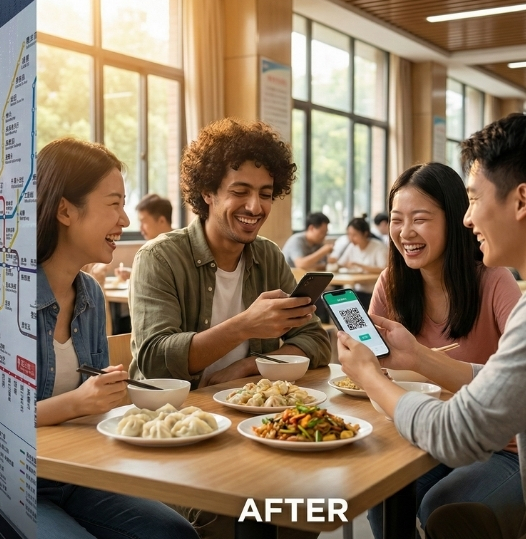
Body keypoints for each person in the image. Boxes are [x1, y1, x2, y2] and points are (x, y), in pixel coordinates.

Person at [337, 113, 526, 539]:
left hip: (495, 445)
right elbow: (501, 381)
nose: (468, 219)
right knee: (386, 498)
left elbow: (461, 429)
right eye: (395, 219)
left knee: (440, 506)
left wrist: (369, 374)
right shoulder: (394, 280)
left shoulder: (496, 283)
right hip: (431, 435)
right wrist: (415, 358)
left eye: (474, 200)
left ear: (519, 201)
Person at [35, 137, 198, 539]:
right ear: (65, 210)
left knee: (176, 533)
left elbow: (93, 398)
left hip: (81, 473)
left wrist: (108, 391)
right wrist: (78, 401)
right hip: (17, 479)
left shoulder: (89, 293)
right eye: (114, 204)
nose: (124, 220)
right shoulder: (4, 294)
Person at [131, 118, 330, 389]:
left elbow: (315, 340)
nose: (255, 207)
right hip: (175, 417)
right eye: (240, 192)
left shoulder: (268, 256)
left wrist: (251, 365)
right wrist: (245, 325)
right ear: (207, 193)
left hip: (250, 410)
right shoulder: (160, 257)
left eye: (265, 194)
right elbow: (155, 360)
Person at [329, 216, 387, 309]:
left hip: (374, 293)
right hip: (357, 290)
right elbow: (341, 263)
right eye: (349, 235)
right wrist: (333, 261)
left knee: (345, 301)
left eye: (354, 235)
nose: (351, 238)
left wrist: (359, 265)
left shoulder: (379, 247)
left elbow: (384, 270)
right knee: (333, 297)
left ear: (365, 233)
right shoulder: (352, 246)